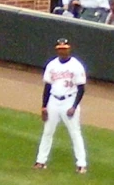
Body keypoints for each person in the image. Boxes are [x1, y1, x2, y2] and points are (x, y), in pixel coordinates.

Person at [35, 35, 87, 172]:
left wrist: (74, 106)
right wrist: (44, 106)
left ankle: (81, 164)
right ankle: (40, 161)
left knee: (75, 133)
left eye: (64, 48)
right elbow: (47, 87)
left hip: (69, 101)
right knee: (47, 132)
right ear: (57, 50)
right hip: (53, 101)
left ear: (69, 49)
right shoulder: (52, 65)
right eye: (60, 49)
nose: (62, 51)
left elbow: (81, 88)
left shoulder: (76, 65)